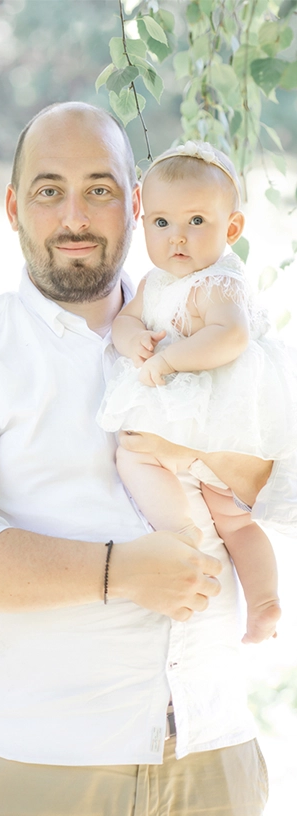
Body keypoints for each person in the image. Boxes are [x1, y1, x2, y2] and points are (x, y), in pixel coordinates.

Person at [0, 102, 296, 816]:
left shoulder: (216, 325)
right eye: (48, 191)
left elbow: (278, 483)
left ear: (135, 200)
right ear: (12, 208)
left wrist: (234, 472)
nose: (74, 217)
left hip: (213, 758)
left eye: (98, 190)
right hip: (40, 772)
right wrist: (120, 571)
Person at [97, 141, 297, 645]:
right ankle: (181, 533)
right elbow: (125, 320)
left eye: (196, 222)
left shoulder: (222, 281)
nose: (177, 238)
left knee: (235, 519)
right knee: (135, 457)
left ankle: (267, 602)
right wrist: (133, 339)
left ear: (231, 230)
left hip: (225, 416)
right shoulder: (154, 281)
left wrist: (167, 359)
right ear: (142, 222)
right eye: (161, 223)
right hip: (178, 412)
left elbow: (230, 337)